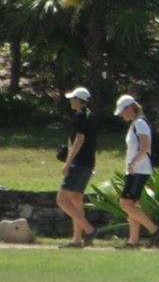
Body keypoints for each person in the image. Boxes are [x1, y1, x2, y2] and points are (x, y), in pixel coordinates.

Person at [114, 94, 159, 249]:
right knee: (132, 205)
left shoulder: (140, 124)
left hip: (139, 169)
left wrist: (133, 162)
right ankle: (133, 241)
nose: (121, 114)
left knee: (125, 203)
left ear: (130, 108)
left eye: (123, 111)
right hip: (136, 169)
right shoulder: (136, 123)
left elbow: (145, 146)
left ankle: (154, 230)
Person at [57, 87, 98, 248]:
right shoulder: (90, 115)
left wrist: (68, 162)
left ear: (78, 100)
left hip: (79, 163)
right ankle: (76, 239)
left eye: (72, 98)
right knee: (76, 200)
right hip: (88, 162)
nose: (70, 101)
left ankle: (89, 230)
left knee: (62, 200)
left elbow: (79, 140)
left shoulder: (81, 116)